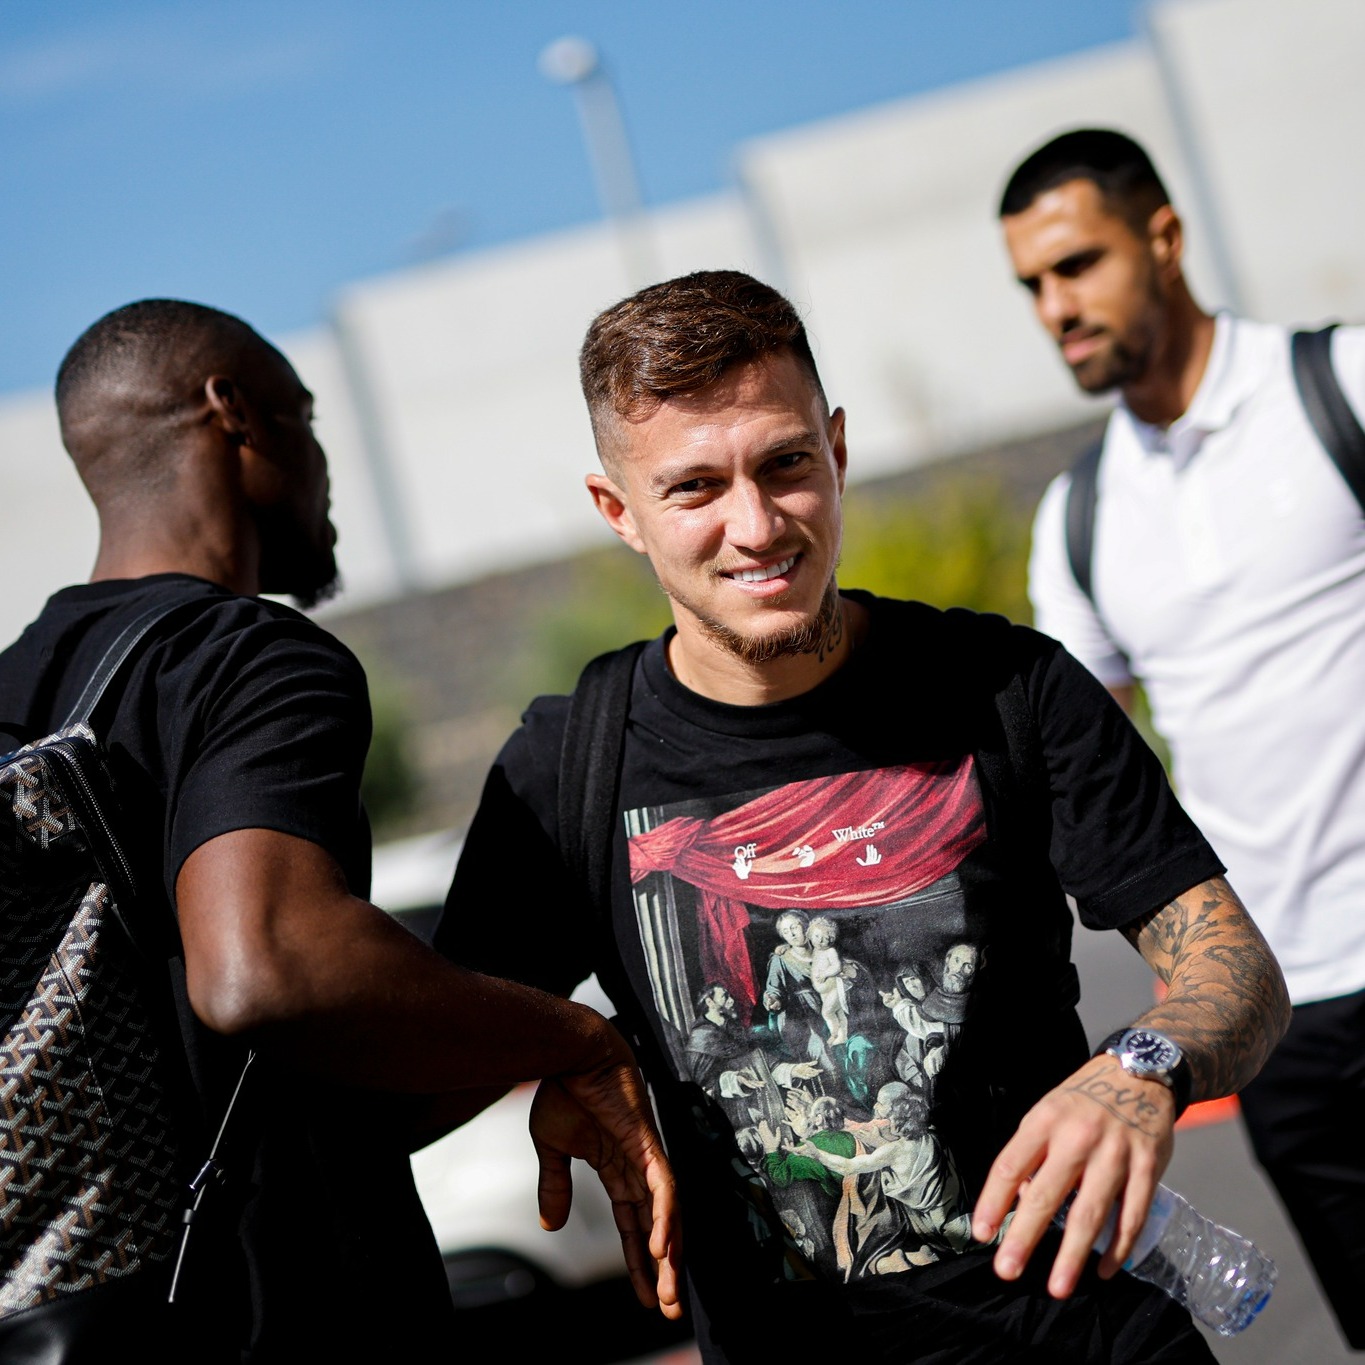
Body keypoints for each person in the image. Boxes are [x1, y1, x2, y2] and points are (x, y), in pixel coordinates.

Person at [437, 269, 1289, 1363]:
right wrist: (569, 1042)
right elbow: (418, 1057)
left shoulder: (1004, 686)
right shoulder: (568, 766)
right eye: (695, 489)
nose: (756, 525)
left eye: (786, 465)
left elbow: (1237, 972)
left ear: (836, 451)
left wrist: (1143, 1070)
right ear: (620, 514)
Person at [0, 299, 678, 1359]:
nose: (323, 464)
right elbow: (262, 970)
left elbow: (285, 1092)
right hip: (281, 1320)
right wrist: (577, 1038)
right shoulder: (244, 658)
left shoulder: (18, 699)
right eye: (305, 417)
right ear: (233, 413)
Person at [998, 127, 1365, 1349]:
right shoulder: (1083, 518)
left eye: (1079, 264)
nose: (1058, 307)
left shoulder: (1339, 386)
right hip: (1287, 1018)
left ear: (1163, 235)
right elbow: (1075, 783)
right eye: (1033, 287)